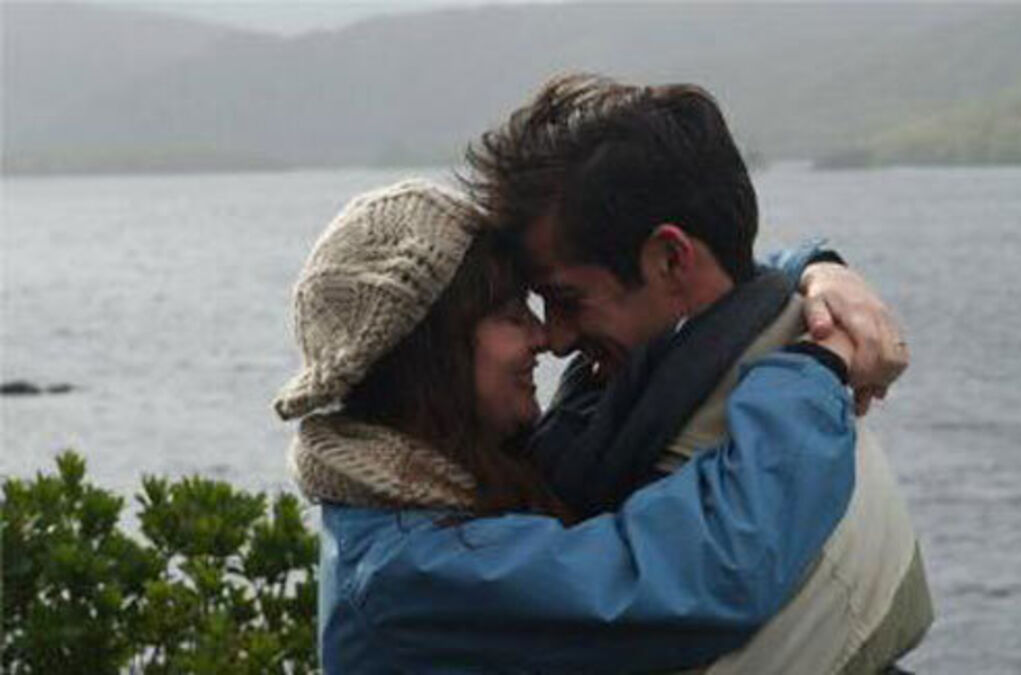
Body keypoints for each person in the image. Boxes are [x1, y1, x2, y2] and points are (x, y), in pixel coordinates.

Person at [275, 179, 860, 673]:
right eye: (510, 315)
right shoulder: (412, 574)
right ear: (429, 356)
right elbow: (704, 573)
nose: (544, 338)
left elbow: (692, 294)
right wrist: (817, 366)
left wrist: (817, 274)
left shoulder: (432, 491)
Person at [464, 73, 932, 671]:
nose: (554, 340)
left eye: (567, 299)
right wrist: (815, 264)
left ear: (670, 259)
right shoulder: (777, 354)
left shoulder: (715, 459)